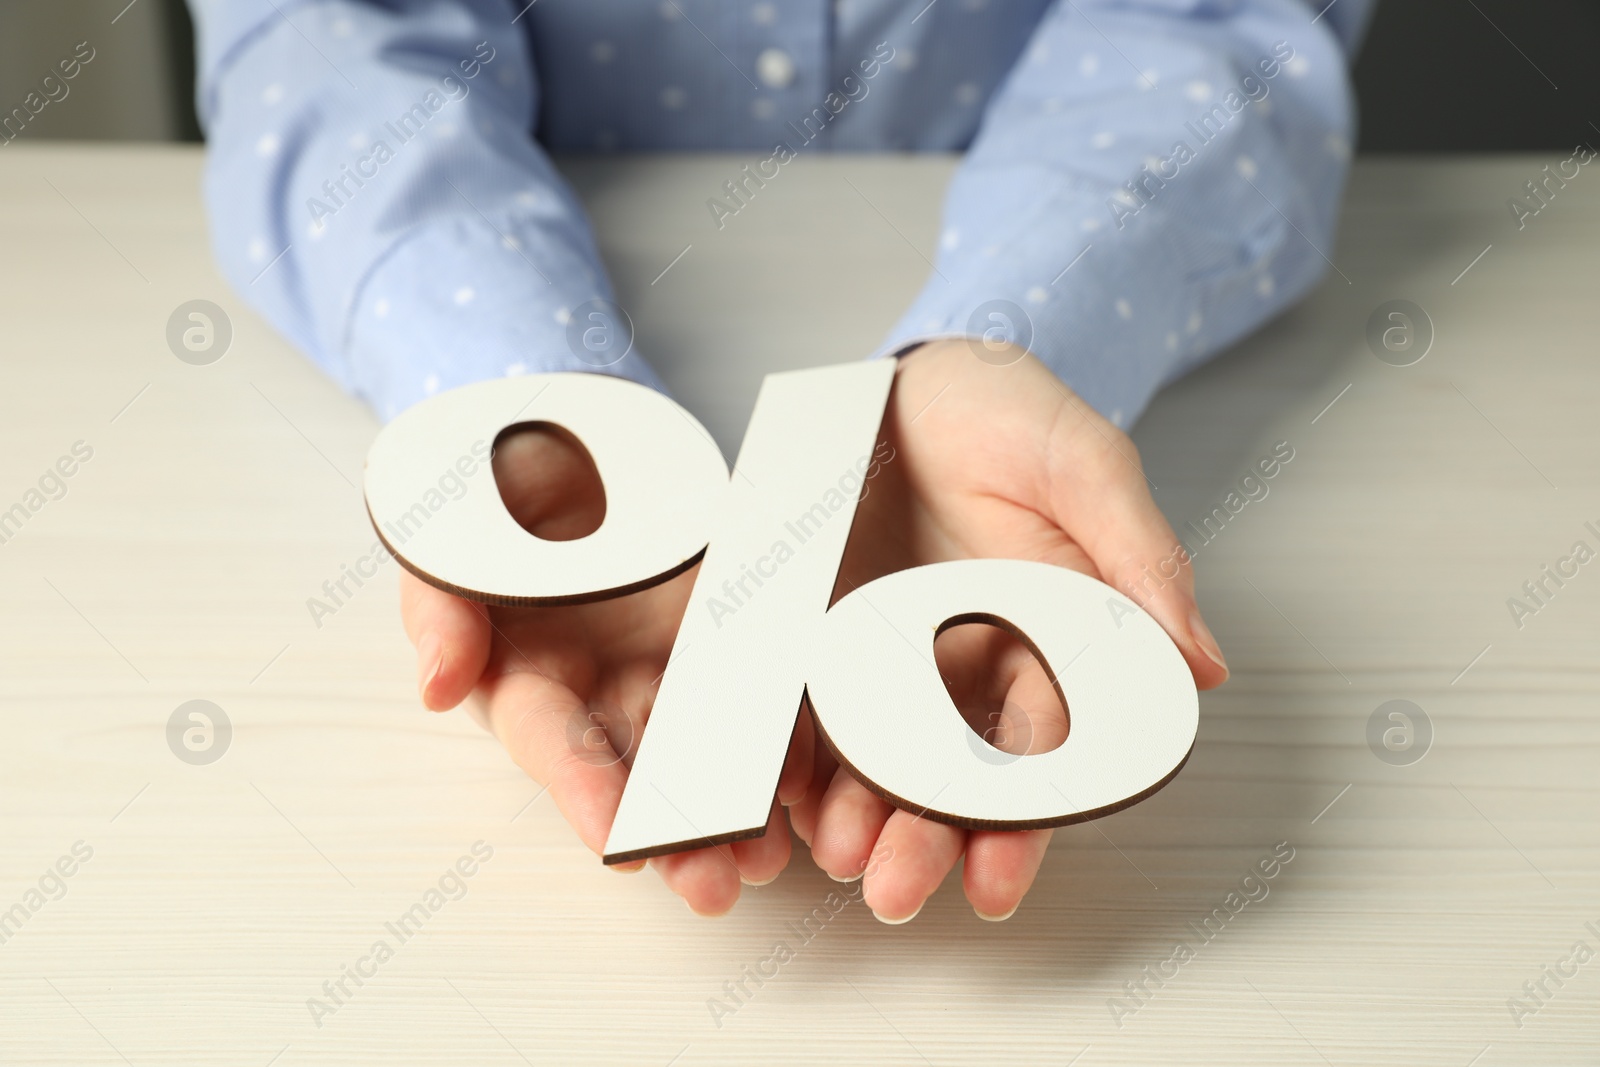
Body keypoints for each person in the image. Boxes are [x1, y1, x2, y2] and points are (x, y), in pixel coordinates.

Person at [190, 0, 1374, 921]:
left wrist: (1020, 322)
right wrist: (520, 394)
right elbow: (322, 37)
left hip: (1004, 236)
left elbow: (1211, 24)